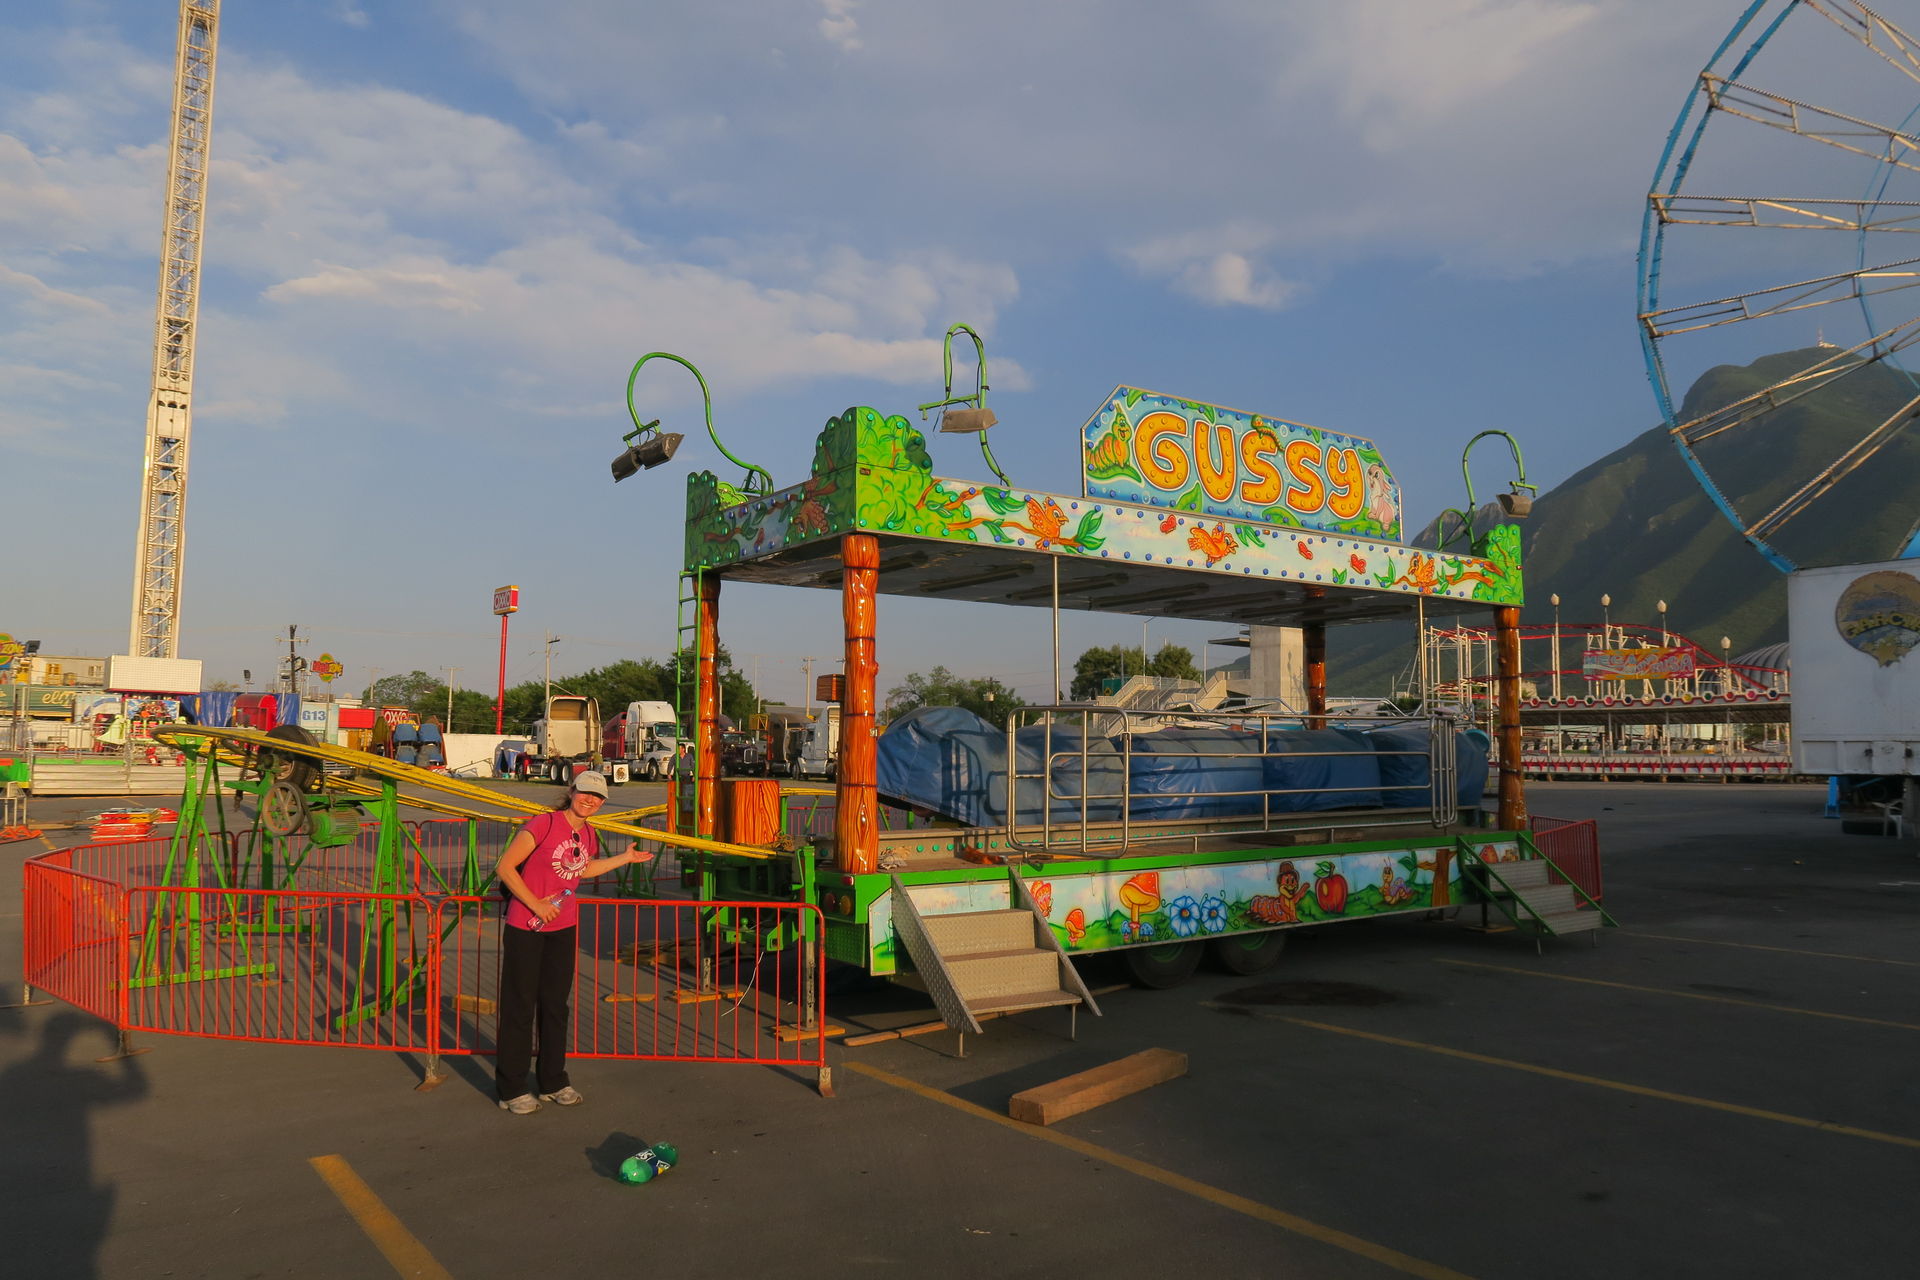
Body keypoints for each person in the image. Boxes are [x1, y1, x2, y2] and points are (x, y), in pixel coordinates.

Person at [493, 770, 652, 1114]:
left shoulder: (589, 832)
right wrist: (536, 904)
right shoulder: (544, 824)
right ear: (572, 791)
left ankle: (553, 1081)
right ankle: (512, 1087)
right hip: (527, 925)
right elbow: (505, 868)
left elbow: (582, 869)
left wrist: (624, 858)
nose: (590, 800)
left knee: (555, 1006)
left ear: (603, 802)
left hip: (563, 926)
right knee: (520, 1006)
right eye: (585, 793)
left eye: (597, 796)